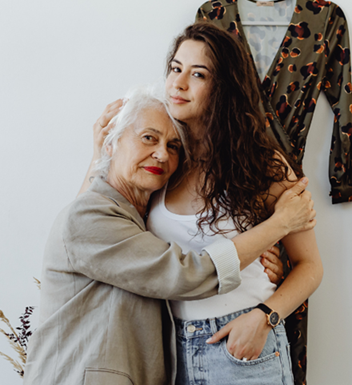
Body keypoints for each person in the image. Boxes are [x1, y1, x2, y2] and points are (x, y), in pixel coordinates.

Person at [22, 86, 316, 385]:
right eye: (148, 137)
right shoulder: (89, 217)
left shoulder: (142, 218)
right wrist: (279, 225)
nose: (162, 154)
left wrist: (265, 283)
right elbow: (186, 274)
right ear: (111, 142)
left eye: (174, 145)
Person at [154, 22, 324, 385]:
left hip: (242, 348)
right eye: (175, 68)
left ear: (223, 86)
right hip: (166, 351)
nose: (178, 83)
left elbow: (310, 266)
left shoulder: (263, 164)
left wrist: (265, 317)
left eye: (197, 74)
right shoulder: (163, 159)